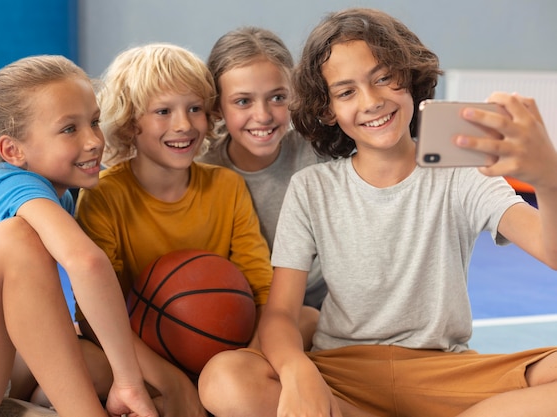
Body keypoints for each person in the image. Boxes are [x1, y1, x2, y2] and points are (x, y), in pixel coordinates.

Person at [198, 7, 557, 417]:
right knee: (225, 378)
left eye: (383, 78)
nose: (371, 102)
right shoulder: (312, 187)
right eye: (347, 91)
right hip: (341, 370)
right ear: (327, 108)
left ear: (409, 77)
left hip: (444, 369)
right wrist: (297, 370)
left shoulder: (463, 176)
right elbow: (281, 312)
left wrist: (548, 176)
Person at [0, 55, 158, 417]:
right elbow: (87, 263)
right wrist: (128, 382)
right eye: (69, 129)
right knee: (15, 240)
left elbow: (53, 318)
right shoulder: (14, 185)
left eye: (94, 122)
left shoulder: (60, 197)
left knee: (92, 363)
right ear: (12, 151)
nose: (93, 141)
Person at [73, 43, 272, 417]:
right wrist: (169, 379)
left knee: (304, 318)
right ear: (133, 122)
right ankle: (174, 396)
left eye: (194, 108)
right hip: (139, 352)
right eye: (163, 111)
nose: (184, 124)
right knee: (82, 363)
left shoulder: (226, 187)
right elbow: (95, 314)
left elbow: (262, 289)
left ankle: (201, 395)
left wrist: (248, 360)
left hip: (222, 348)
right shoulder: (105, 195)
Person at [196, 26, 328, 311]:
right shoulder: (201, 170)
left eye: (278, 98)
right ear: (217, 107)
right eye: (243, 101)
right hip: (243, 311)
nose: (263, 116)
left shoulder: (319, 153)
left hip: (324, 310)